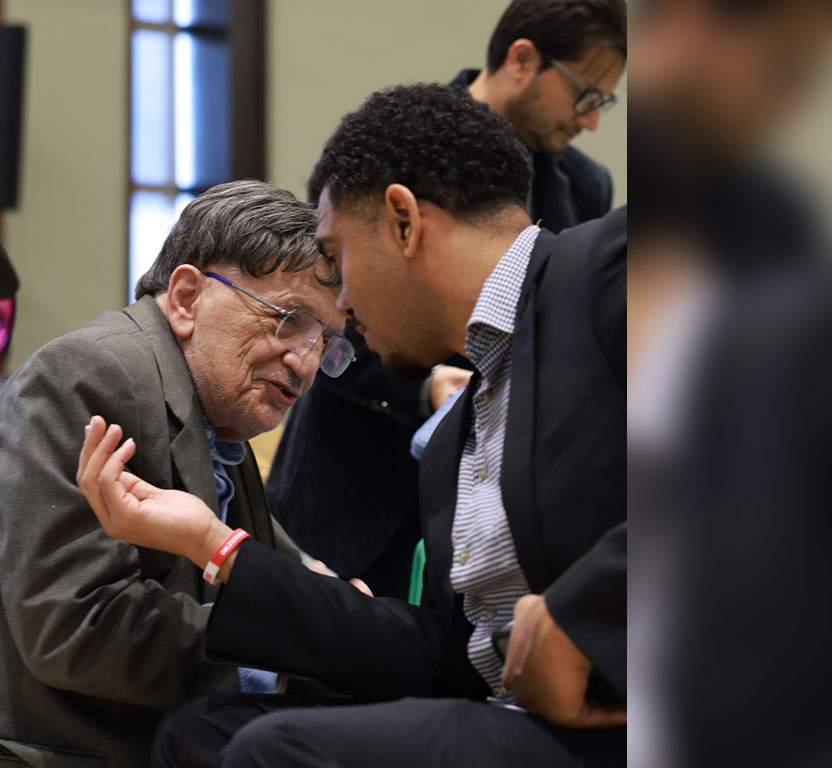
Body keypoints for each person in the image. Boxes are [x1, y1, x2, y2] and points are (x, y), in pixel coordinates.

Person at [79, 84, 626, 767]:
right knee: (202, 733)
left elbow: (769, 442)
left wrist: (583, 612)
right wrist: (213, 543)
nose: (341, 302)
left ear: (403, 222)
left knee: (271, 752)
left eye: (338, 260)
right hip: (501, 717)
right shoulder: (453, 439)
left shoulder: (609, 264)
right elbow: (437, 656)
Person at [0, 180, 354, 767]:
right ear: (187, 296)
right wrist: (288, 640)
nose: (305, 361)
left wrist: (340, 616)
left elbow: (282, 582)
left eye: (326, 340)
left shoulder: (220, 416)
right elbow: (76, 628)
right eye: (288, 319)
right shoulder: (90, 375)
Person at [266, 0, 626, 600]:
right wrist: (426, 387)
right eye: (585, 93)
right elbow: (332, 313)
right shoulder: (390, 145)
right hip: (361, 483)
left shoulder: (586, 190)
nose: (590, 120)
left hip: (502, 488)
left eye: (602, 102)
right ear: (522, 59)